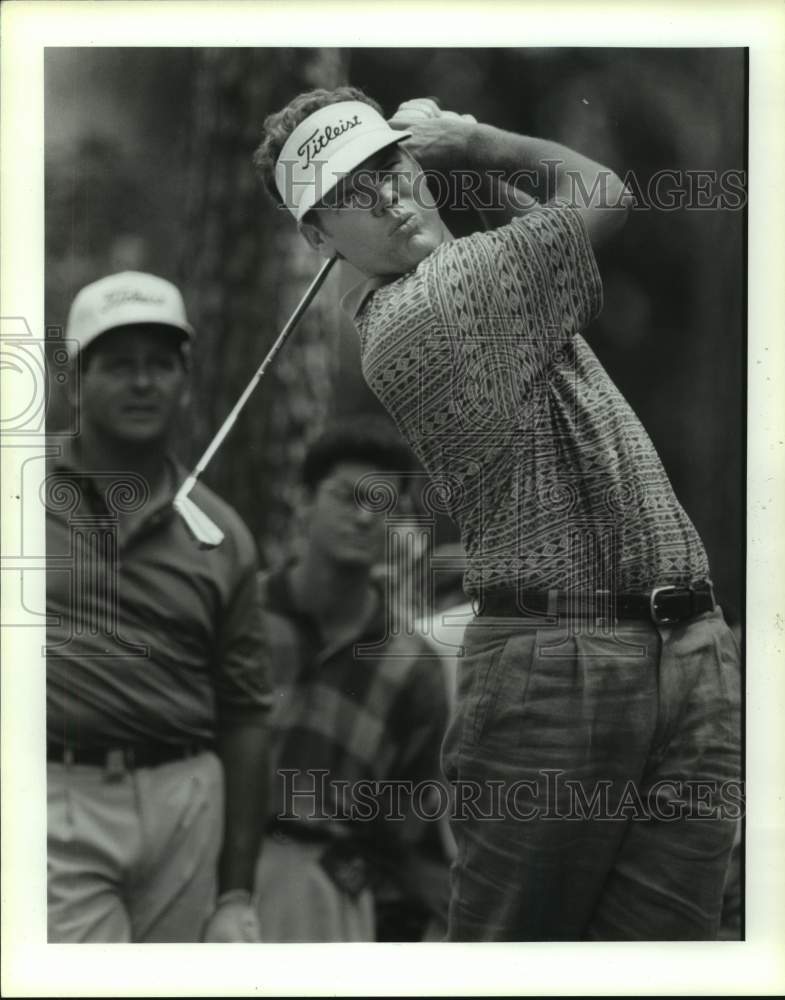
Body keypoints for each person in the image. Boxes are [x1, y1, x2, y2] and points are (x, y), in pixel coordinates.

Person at [252, 88, 742, 941]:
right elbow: (598, 193)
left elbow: (525, 221)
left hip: (684, 645)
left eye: (389, 166)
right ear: (316, 238)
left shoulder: (480, 274)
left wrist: (456, 174)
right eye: (349, 195)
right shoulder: (416, 319)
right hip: (556, 671)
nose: (389, 196)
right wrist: (471, 138)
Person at [46, 270, 272, 943]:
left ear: (184, 381)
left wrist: (236, 893)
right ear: (74, 381)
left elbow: (246, 714)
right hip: (56, 790)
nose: (142, 383)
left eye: (159, 365)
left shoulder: (222, 533)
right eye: (118, 365)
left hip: (186, 800)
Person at [253, 419, 450, 942]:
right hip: (213, 862)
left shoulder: (412, 666)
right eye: (346, 497)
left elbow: (411, 825)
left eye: (383, 502)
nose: (364, 516)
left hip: (328, 893)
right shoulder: (242, 616)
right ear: (305, 502)